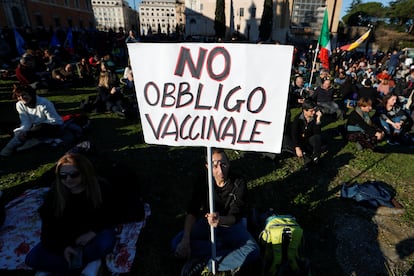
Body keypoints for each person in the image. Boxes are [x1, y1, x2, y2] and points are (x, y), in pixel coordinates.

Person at [25, 153, 117, 274]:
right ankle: (88, 263)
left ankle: (71, 265)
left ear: (85, 173)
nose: (68, 179)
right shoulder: (54, 195)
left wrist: (93, 231)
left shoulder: (100, 187)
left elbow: (111, 213)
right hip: (65, 236)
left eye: (74, 174)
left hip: (93, 233)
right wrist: (63, 248)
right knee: (31, 259)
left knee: (107, 242)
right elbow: (48, 229)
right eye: (63, 175)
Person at [172, 148, 260, 275]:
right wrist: (186, 239)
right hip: (207, 223)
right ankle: (224, 250)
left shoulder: (238, 182)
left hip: (230, 224)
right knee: (177, 243)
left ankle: (206, 262)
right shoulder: (203, 181)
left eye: (223, 164)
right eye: (214, 165)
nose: (220, 170)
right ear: (207, 167)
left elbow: (236, 215)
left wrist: (220, 220)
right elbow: (193, 210)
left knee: (253, 250)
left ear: (229, 164)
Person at [0, 85, 63, 157]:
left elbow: (54, 120)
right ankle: (30, 140)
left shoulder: (44, 103)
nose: (21, 98)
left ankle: (10, 147)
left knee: (40, 127)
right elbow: (25, 121)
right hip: (32, 127)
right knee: (7, 125)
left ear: (31, 94)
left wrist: (29, 132)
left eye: (24, 95)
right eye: (18, 96)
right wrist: (22, 131)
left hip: (50, 125)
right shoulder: (19, 104)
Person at [291, 100, 323, 169]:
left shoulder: (314, 117)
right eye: (311, 111)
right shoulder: (297, 119)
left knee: (318, 138)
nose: (313, 112)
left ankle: (315, 158)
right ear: (305, 111)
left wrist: (318, 120)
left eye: (314, 110)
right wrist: (297, 147)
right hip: (300, 141)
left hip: (309, 139)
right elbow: (294, 134)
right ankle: (308, 158)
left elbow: (317, 133)